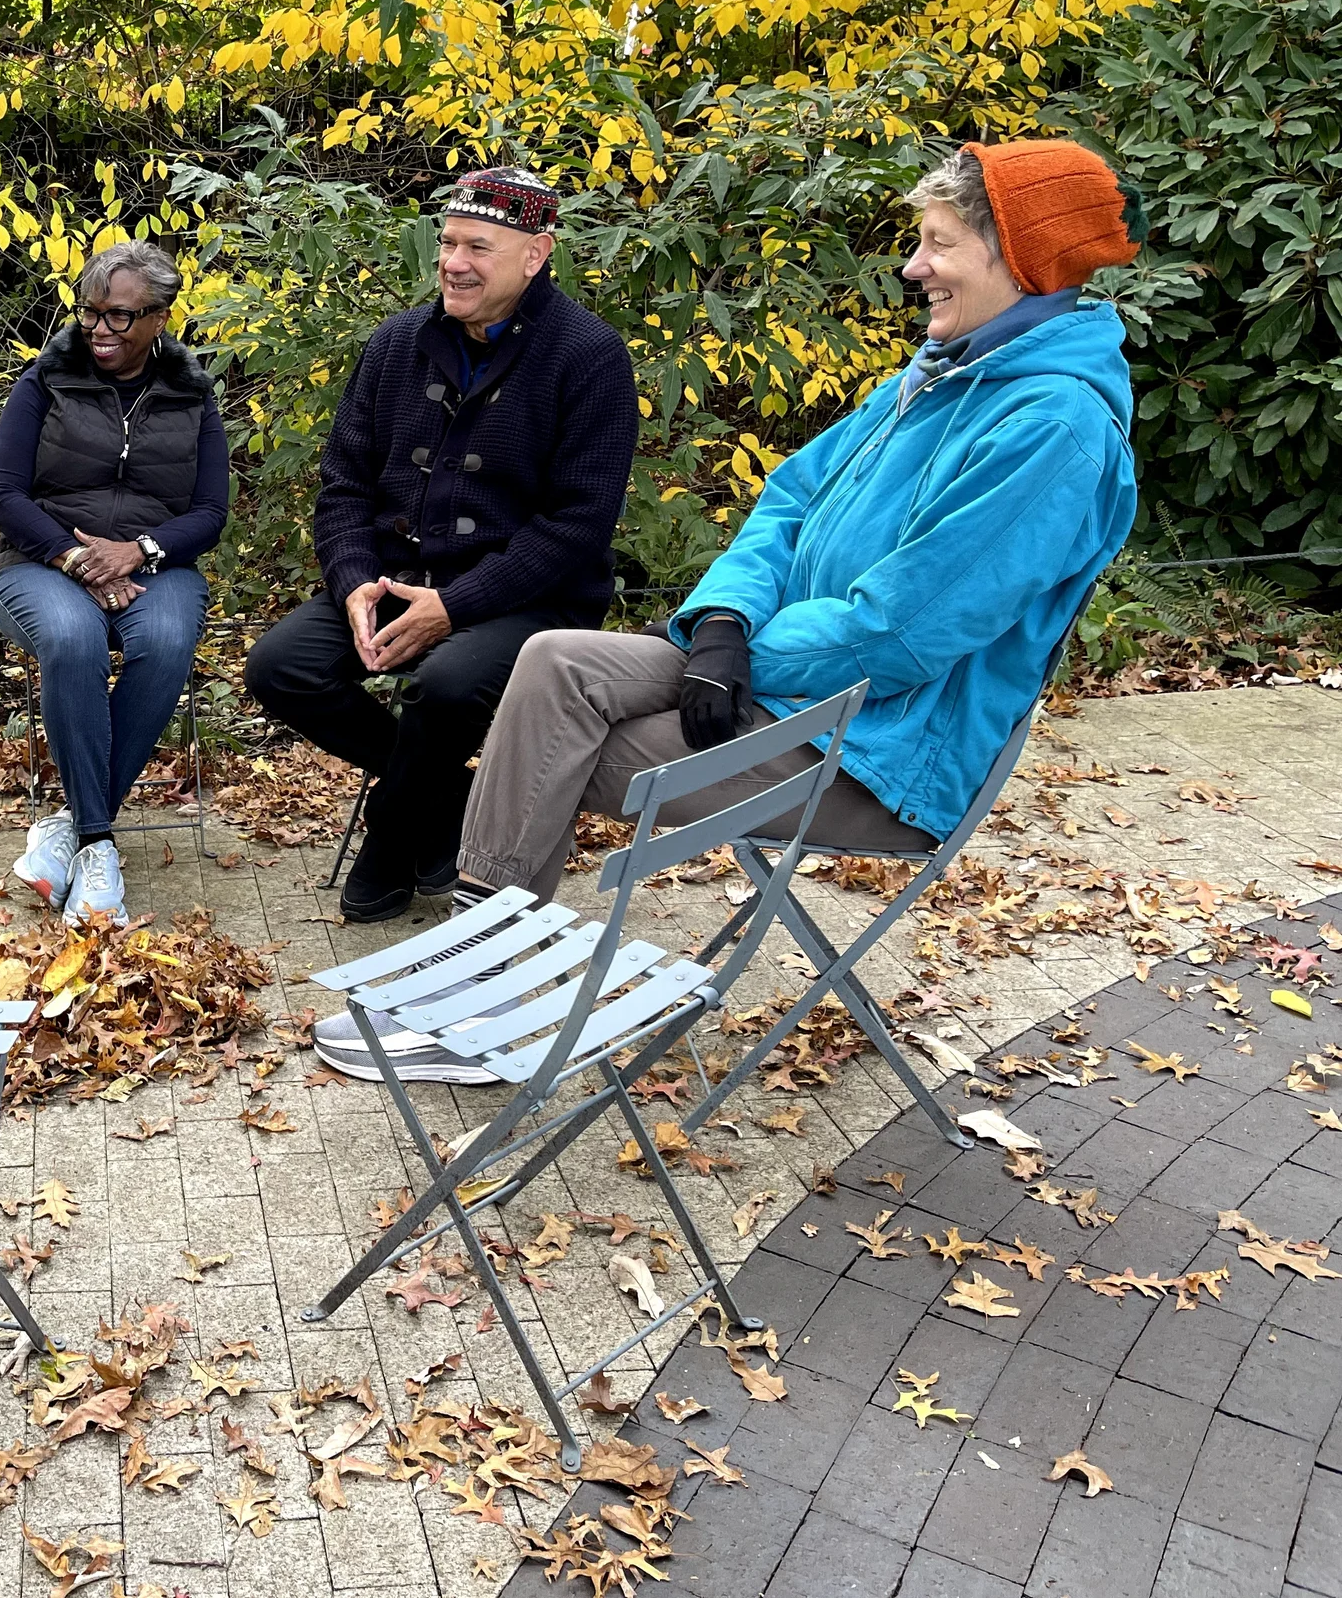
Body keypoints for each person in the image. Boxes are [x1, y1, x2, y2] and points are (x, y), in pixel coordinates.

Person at [316, 139, 1143, 1083]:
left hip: (875, 743)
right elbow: (786, 501)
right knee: (554, 661)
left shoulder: (1053, 429)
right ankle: (480, 966)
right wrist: (722, 624)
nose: (914, 267)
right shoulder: (937, 373)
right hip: (776, 670)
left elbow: (901, 631)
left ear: (1020, 261)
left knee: (559, 751)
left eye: (938, 244)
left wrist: (745, 654)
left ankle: (490, 1011)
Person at [245, 165, 637, 923]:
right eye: (448, 242)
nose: (454, 261)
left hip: (531, 598)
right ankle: (447, 799)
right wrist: (355, 578)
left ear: (535, 254)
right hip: (395, 577)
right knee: (281, 667)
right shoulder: (396, 343)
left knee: (450, 684)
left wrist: (453, 606)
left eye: (478, 247)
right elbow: (344, 486)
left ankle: (392, 831)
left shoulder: (589, 357)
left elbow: (577, 526)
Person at [0, 239, 229, 926]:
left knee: (168, 638)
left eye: (120, 316)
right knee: (72, 636)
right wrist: (77, 559)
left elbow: (211, 513)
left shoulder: (192, 394)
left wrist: (140, 549)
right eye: (90, 312)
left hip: (158, 564)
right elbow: (4, 494)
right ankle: (98, 843)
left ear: (160, 318)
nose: (99, 329)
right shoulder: (45, 380)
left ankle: (72, 827)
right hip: (40, 561)